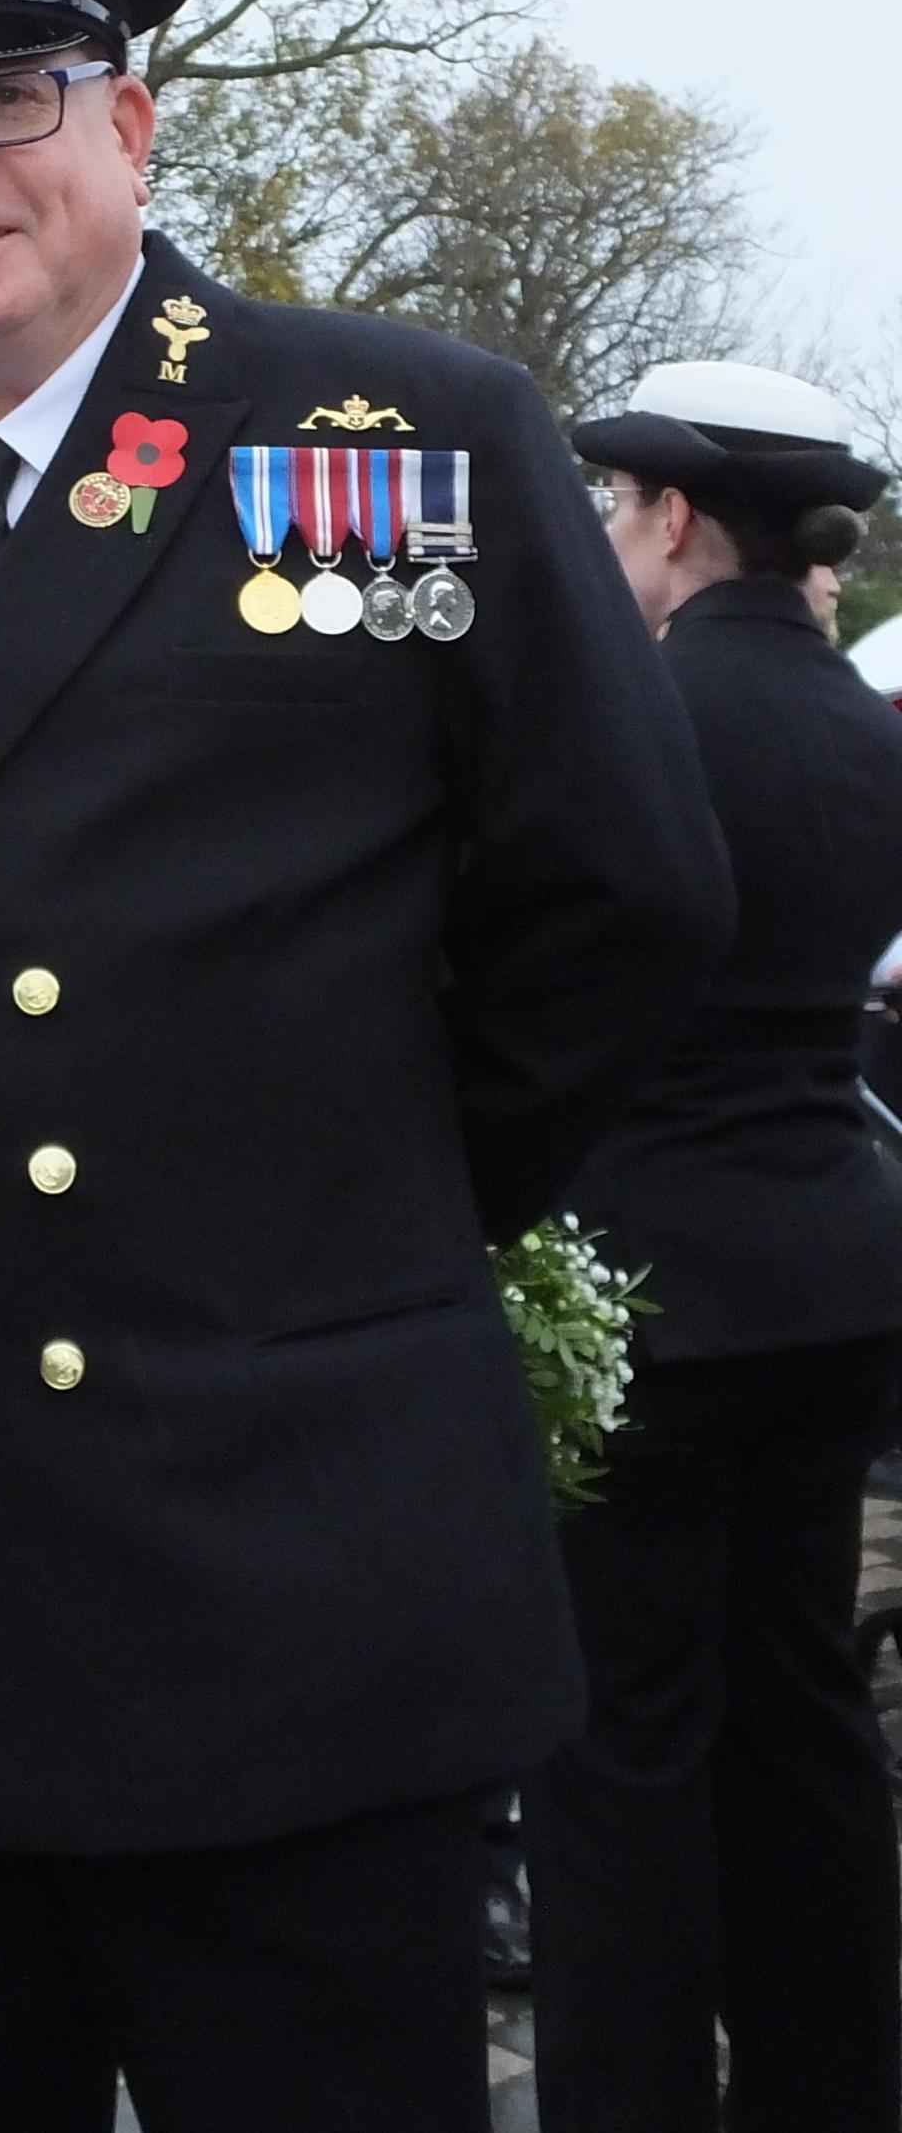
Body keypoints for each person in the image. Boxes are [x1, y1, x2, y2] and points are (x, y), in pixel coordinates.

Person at [0, 0, 735, 2133]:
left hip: (281, 1574)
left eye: (7, 93)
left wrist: (347, 1201)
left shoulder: (393, 439)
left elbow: (624, 902)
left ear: (129, 122)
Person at [524, 359, 902, 2132]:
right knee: (807, 1714)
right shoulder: (866, 726)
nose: (605, 537)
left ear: (675, 520)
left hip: (644, 1303)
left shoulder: (633, 720)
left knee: (625, 1754)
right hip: (839, 1275)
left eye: (616, 508)